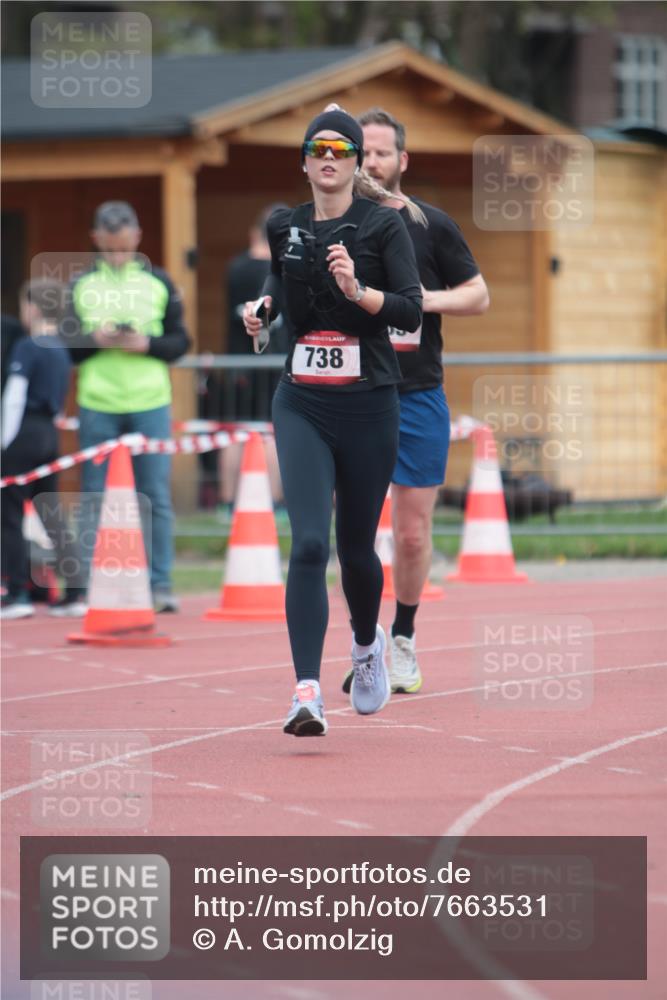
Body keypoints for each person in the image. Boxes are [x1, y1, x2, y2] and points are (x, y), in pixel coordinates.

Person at [243, 105, 424, 736]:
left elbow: (410, 310)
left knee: (355, 549)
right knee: (309, 544)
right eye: (317, 148)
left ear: (354, 162)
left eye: (340, 149)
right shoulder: (285, 224)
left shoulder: (383, 225)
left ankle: (368, 645)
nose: (328, 157)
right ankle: (306, 692)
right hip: (302, 401)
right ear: (304, 162)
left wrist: (357, 292)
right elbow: (277, 276)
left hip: (369, 402)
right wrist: (263, 310)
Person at [341, 107, 489, 695]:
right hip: (354, 393)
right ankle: (364, 643)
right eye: (364, 153)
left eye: (382, 152)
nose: (372, 162)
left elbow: (478, 296)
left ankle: (402, 637)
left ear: (402, 160)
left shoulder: (431, 225)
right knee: (353, 534)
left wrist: (418, 300)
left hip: (418, 392)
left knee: (409, 533)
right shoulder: (336, 221)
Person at [63, 201, 190, 612]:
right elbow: (67, 348)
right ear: (96, 240)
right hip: (97, 402)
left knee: (155, 495)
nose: (118, 255)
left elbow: (180, 341)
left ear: (137, 237)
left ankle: (161, 584)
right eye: (110, 248)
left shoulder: (160, 282)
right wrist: (94, 340)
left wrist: (147, 344)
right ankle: (90, 585)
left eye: (124, 247)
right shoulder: (80, 285)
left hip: (151, 402)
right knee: (94, 496)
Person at [1, 279, 87, 619]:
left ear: (33, 307)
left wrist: (4, 441)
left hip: (24, 432)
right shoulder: (60, 348)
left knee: (8, 514)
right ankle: (76, 592)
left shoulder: (28, 345)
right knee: (51, 513)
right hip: (49, 434)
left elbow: (14, 397)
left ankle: (17, 593)